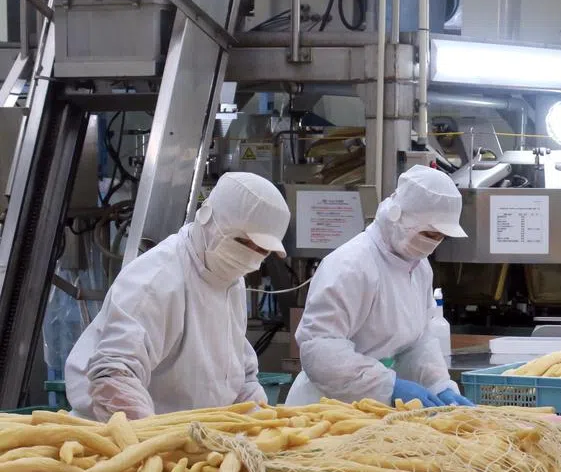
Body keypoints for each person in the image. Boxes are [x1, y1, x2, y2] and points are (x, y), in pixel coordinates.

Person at [65, 172, 291, 420]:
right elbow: (114, 375)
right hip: (121, 434)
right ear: (208, 219)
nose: (251, 256)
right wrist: (152, 440)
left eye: (262, 251)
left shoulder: (230, 280)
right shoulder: (158, 278)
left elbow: (239, 377)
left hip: (191, 437)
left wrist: (260, 422)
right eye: (243, 243)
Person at [288, 165, 472, 408]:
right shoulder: (351, 265)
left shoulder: (419, 268)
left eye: (441, 237)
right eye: (429, 234)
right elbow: (320, 351)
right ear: (398, 215)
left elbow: (418, 341)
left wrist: (438, 384)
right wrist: (388, 386)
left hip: (375, 408)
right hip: (326, 406)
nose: (434, 243)